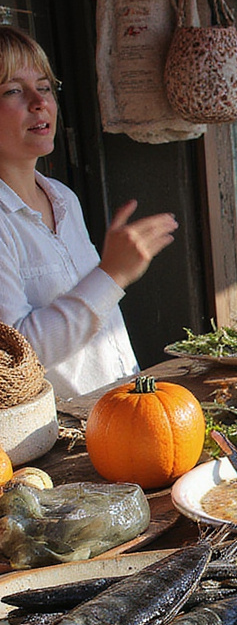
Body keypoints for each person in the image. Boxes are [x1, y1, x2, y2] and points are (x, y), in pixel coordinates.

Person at [0, 27, 178, 399]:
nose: (39, 102)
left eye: (45, 87)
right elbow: (15, 360)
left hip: (121, 405)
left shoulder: (63, 199)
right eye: (13, 90)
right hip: (60, 429)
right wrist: (112, 275)